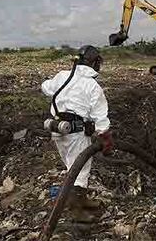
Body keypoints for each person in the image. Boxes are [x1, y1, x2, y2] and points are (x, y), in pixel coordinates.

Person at [41, 45, 113, 221]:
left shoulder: (62, 76)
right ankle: (76, 211)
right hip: (76, 132)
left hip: (58, 129)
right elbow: (100, 117)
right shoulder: (92, 86)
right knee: (81, 169)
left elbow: (46, 87)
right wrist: (105, 137)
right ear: (95, 63)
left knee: (71, 165)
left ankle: (80, 199)